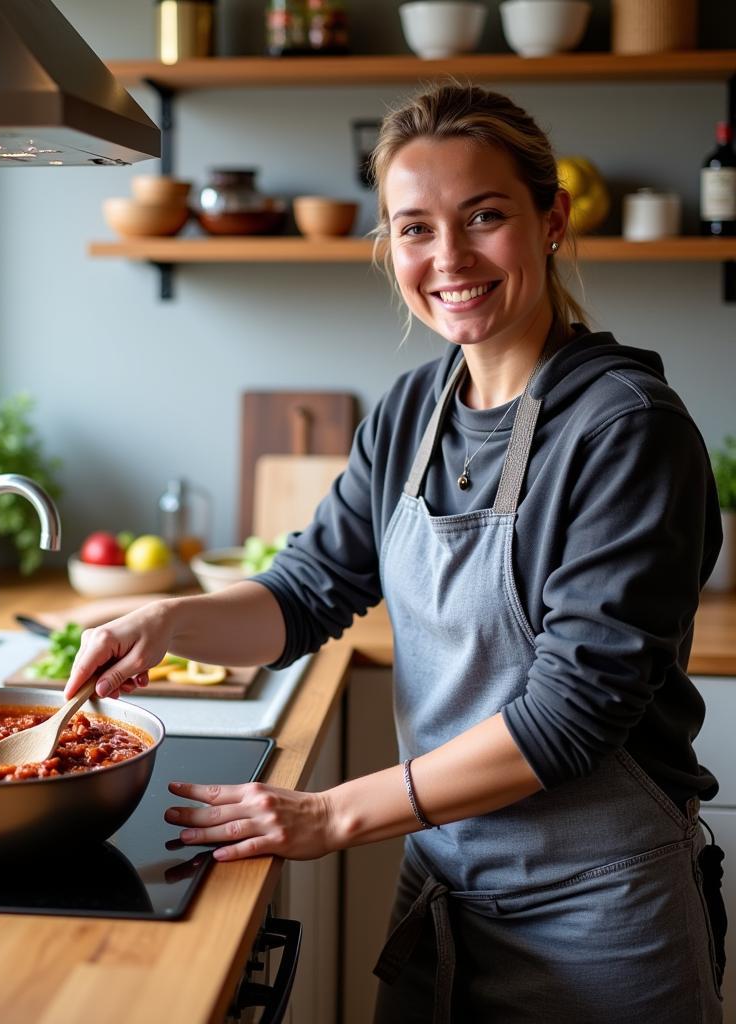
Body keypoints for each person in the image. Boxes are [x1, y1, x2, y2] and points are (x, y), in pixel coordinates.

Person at [64, 82, 724, 1022]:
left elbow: (572, 716)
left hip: (605, 914)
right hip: (447, 890)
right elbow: (303, 595)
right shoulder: (414, 410)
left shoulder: (626, 431)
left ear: (552, 220)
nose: (448, 257)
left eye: (484, 216)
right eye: (415, 229)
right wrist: (167, 621)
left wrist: (331, 814)